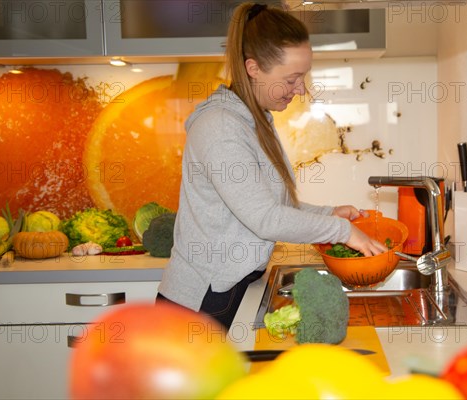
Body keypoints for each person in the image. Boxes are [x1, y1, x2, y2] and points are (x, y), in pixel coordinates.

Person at [157, 2, 387, 329]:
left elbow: (268, 203)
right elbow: (265, 219)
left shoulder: (254, 120)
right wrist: (343, 230)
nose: (301, 89)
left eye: (302, 77)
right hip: (200, 300)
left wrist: (327, 213)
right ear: (253, 68)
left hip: (226, 289)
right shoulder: (220, 126)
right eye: (292, 78)